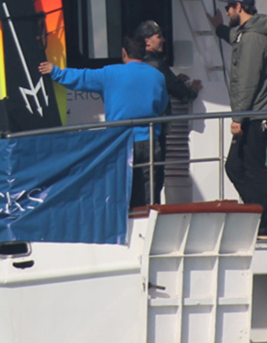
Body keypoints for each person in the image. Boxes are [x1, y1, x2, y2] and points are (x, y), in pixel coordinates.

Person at [39, 33, 169, 209]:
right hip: (150, 141)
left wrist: (55, 72)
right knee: (149, 192)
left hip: (120, 141)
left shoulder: (110, 73)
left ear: (124, 52)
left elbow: (81, 77)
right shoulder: (157, 76)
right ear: (144, 52)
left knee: (121, 190)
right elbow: (162, 104)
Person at [209, 0, 267, 237]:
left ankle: (262, 225)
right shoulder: (246, 34)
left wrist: (238, 118)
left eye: (229, 8)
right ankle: (256, 215)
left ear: (239, 7)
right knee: (235, 166)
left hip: (255, 116)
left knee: (252, 169)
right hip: (253, 114)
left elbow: (248, 81)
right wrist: (219, 28)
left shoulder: (251, 39)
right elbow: (234, 38)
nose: (227, 11)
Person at [135, 19, 203, 104]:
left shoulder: (133, 64)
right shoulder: (157, 65)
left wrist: (175, 80)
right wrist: (194, 89)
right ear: (147, 42)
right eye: (159, 36)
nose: (163, 40)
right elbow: (184, 95)